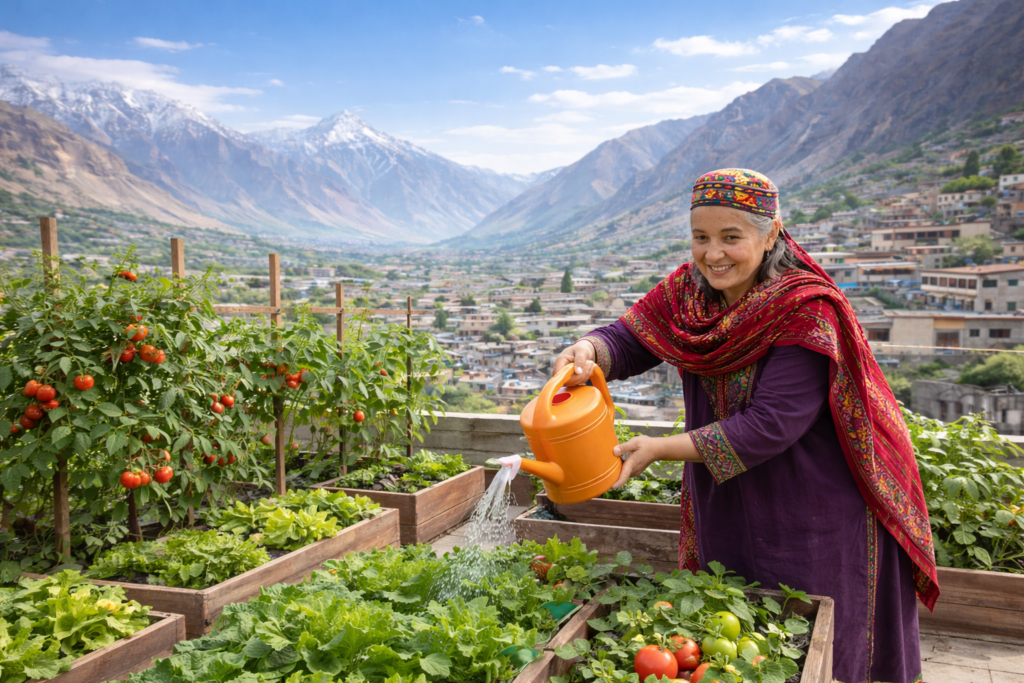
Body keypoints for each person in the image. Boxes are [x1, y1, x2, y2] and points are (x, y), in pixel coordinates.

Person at [553, 169, 936, 683]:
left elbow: (771, 424)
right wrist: (589, 350)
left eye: (731, 237)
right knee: (734, 639)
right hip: (728, 499)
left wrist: (660, 448)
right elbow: (631, 337)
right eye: (701, 237)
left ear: (771, 234)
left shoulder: (804, 309)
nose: (713, 254)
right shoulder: (690, 293)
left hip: (813, 509)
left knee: (810, 642)